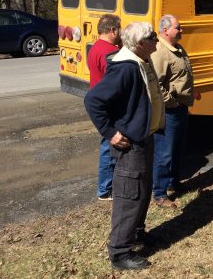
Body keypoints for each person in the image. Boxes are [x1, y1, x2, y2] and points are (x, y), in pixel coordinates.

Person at [84, 22, 164, 271]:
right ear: (140, 43)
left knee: (142, 190)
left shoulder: (142, 60)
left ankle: (137, 234)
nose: (157, 41)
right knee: (129, 196)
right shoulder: (126, 68)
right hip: (130, 145)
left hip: (144, 138)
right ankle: (119, 251)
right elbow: (93, 100)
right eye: (152, 37)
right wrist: (110, 133)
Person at [150, 15, 201, 208]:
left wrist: (191, 92)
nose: (181, 31)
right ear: (165, 30)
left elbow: (181, 76)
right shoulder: (160, 52)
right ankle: (160, 193)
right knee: (165, 152)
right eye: (178, 28)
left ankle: (173, 183)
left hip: (181, 107)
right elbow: (155, 83)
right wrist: (170, 102)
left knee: (178, 148)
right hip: (170, 110)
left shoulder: (178, 48)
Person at [87, 13, 121, 201]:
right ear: (112, 30)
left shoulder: (95, 48)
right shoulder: (109, 52)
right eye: (119, 28)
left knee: (107, 144)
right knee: (109, 145)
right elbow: (115, 80)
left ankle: (106, 186)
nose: (121, 32)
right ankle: (105, 189)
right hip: (109, 104)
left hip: (100, 100)